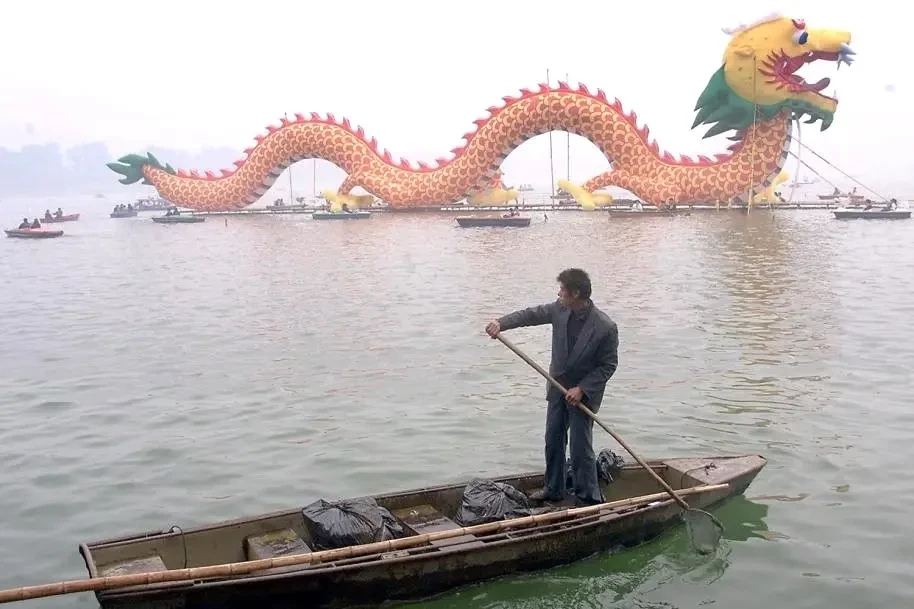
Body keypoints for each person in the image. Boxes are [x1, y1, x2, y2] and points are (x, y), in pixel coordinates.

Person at [485, 268, 619, 506]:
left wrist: (582, 389)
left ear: (575, 294)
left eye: (562, 290)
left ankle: (587, 498)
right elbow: (530, 315)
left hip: (582, 396)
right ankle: (554, 489)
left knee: (580, 448)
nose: (558, 294)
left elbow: (608, 365)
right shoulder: (559, 309)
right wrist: (500, 323)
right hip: (557, 387)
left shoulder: (605, 327)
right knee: (553, 440)